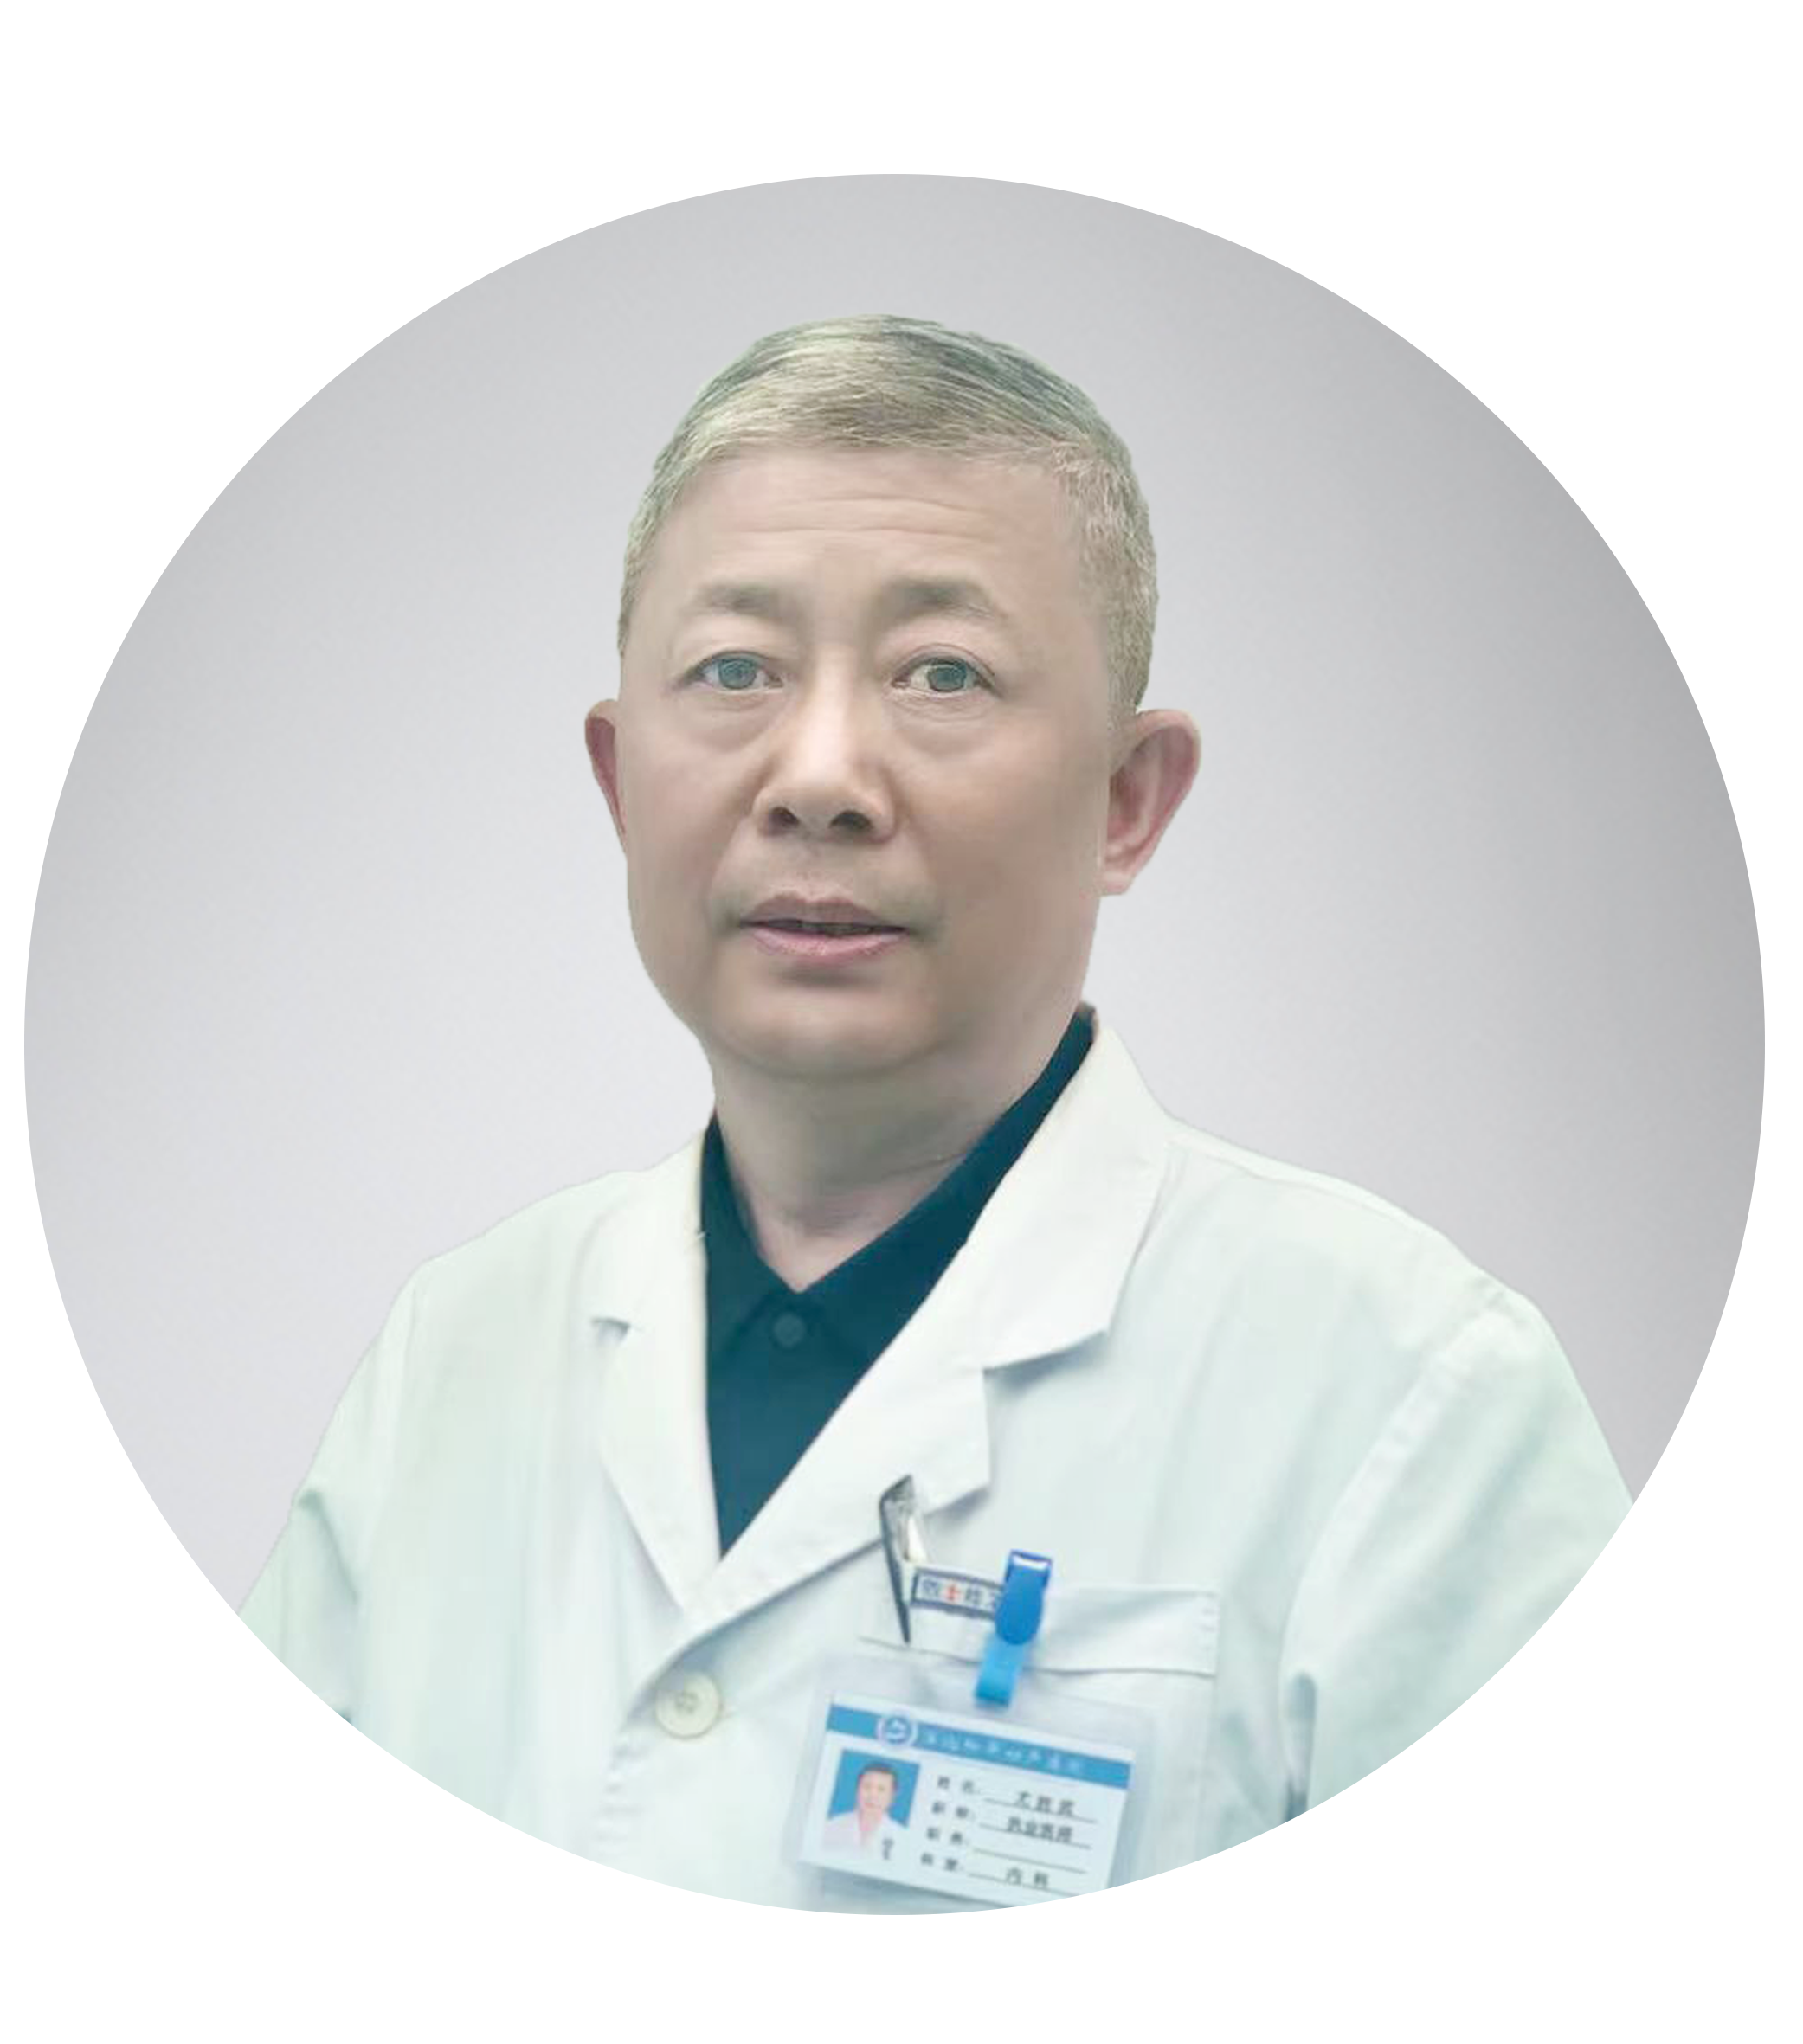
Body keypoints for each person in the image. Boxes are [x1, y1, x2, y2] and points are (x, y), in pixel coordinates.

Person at [136, 313, 1714, 1915]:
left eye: (940, 674)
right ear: (617, 781)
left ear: (1126, 800)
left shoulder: (1405, 1393)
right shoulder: (459, 1350)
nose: (818, 775)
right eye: (734, 671)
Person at [821, 1763, 906, 1855]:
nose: (872, 1795)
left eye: (881, 1789)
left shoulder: (902, 1838)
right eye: (867, 1787)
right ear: (857, 1790)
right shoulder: (831, 1827)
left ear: (892, 1796)